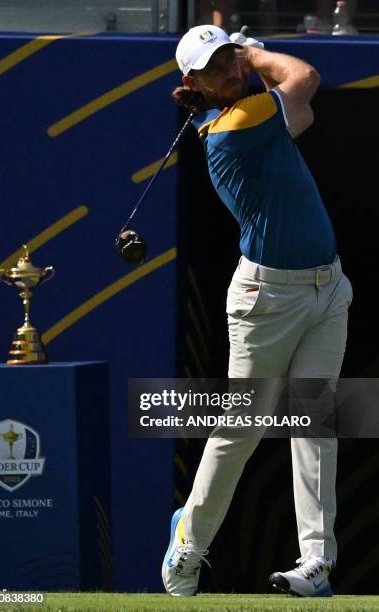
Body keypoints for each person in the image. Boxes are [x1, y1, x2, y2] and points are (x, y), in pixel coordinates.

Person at [162, 25, 353, 598]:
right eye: (215, 65)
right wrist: (255, 52)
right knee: (241, 428)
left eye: (229, 59)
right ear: (192, 81)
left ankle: (316, 562)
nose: (229, 70)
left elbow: (301, 112)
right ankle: (188, 546)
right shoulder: (235, 127)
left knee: (314, 421)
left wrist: (249, 61)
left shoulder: (253, 115)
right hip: (267, 300)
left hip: (327, 288)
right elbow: (305, 79)